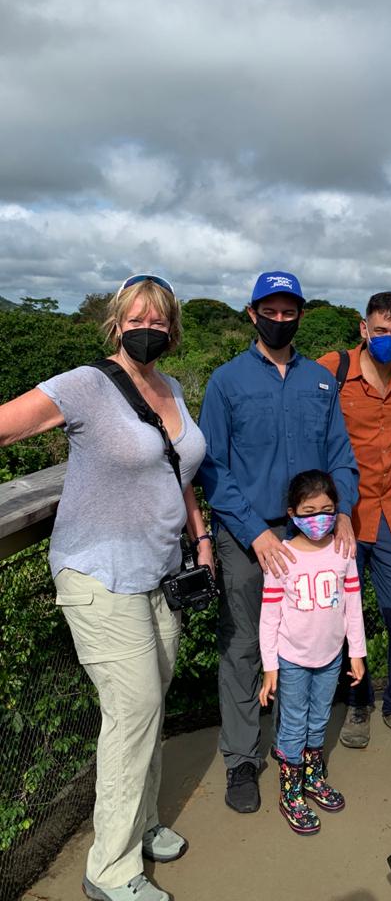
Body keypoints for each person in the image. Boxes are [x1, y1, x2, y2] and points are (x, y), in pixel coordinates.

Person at [0, 275, 211, 901]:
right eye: (135, 318)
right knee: (133, 711)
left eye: (159, 319)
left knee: (151, 704)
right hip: (98, 572)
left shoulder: (170, 387)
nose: (147, 328)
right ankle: (111, 868)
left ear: (172, 330)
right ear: (116, 323)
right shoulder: (85, 385)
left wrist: (199, 536)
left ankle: (141, 823)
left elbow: (179, 471)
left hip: (159, 572)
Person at [197, 271, 358, 814]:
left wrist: (343, 512)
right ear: (253, 313)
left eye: (290, 312)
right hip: (249, 536)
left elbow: (340, 457)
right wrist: (257, 531)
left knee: (313, 639)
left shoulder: (320, 380)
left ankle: (301, 753)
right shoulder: (226, 381)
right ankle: (242, 759)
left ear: (300, 316)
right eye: (271, 311)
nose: (280, 320)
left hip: (312, 533)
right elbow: (213, 467)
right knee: (246, 646)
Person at [318, 291, 391, 752]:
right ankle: (358, 702)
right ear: (363, 329)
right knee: (345, 617)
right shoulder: (331, 368)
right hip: (345, 514)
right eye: (380, 329)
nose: (388, 338)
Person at [258, 470, 366, 834]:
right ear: (292, 514)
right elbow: (269, 617)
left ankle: (312, 777)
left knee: (319, 719)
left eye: (327, 510)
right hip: (291, 659)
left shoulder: (343, 552)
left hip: (331, 657)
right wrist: (270, 667)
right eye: (309, 511)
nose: (319, 518)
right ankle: (290, 792)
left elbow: (353, 606)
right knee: (293, 724)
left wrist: (356, 652)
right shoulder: (282, 557)